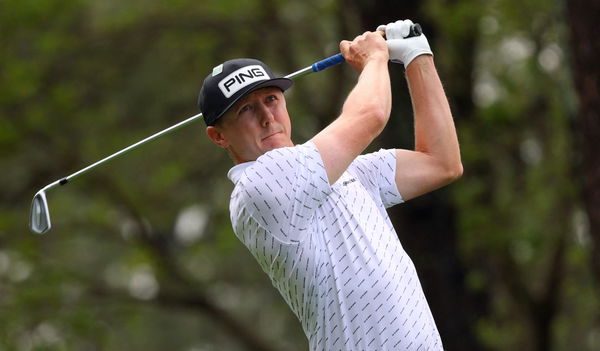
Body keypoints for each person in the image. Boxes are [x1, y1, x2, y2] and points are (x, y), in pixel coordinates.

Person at [198, 19, 461, 351]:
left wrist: (417, 55)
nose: (267, 116)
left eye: (271, 100)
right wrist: (375, 58)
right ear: (218, 136)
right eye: (246, 109)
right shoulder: (258, 187)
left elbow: (441, 163)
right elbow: (370, 116)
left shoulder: (346, 172)